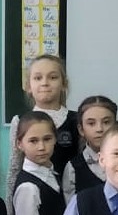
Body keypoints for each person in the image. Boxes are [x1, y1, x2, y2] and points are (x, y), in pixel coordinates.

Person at [6, 55, 76, 187]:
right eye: (38, 78)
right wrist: (11, 200)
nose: (45, 83)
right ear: (28, 86)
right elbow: (14, 168)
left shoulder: (76, 120)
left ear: (64, 84)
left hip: (71, 195)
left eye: (53, 77)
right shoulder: (19, 121)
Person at [61, 95, 116, 202]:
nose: (99, 129)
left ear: (116, 126)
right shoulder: (73, 168)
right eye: (91, 123)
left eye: (106, 122)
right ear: (81, 130)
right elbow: (71, 208)